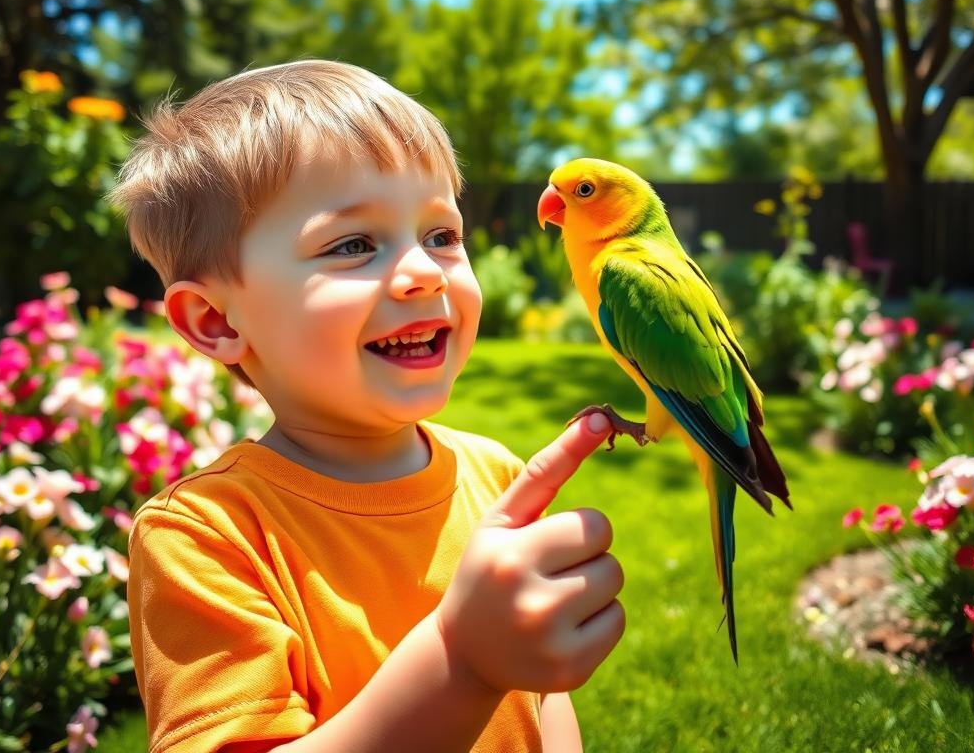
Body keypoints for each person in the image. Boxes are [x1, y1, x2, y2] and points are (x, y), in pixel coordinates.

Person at [110, 60, 625, 753]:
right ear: (215, 321)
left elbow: (538, 698)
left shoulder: (495, 476)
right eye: (353, 245)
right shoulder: (208, 536)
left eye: (442, 236)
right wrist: (461, 660)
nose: (422, 271)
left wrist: (514, 660)